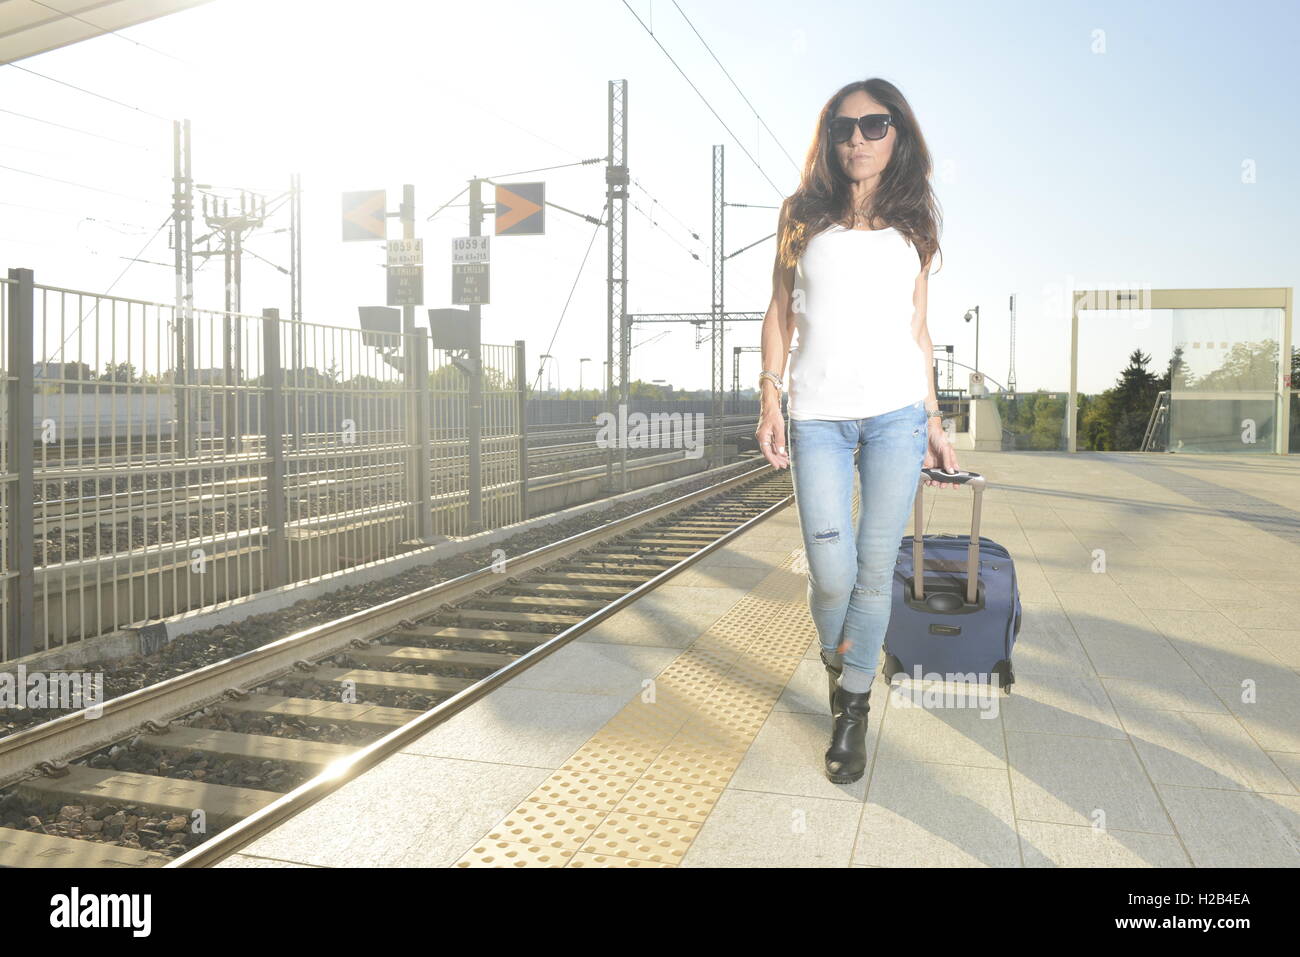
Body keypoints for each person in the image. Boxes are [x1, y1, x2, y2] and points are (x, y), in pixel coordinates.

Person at [755, 78, 960, 785]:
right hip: (816, 415)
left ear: (897, 134)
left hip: (898, 415)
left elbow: (919, 329)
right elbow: (781, 312)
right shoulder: (800, 216)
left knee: (875, 571)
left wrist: (934, 418)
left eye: (875, 126)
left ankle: (852, 706)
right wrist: (769, 397)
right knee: (830, 568)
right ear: (829, 137)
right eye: (844, 128)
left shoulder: (914, 225)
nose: (858, 140)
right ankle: (843, 657)